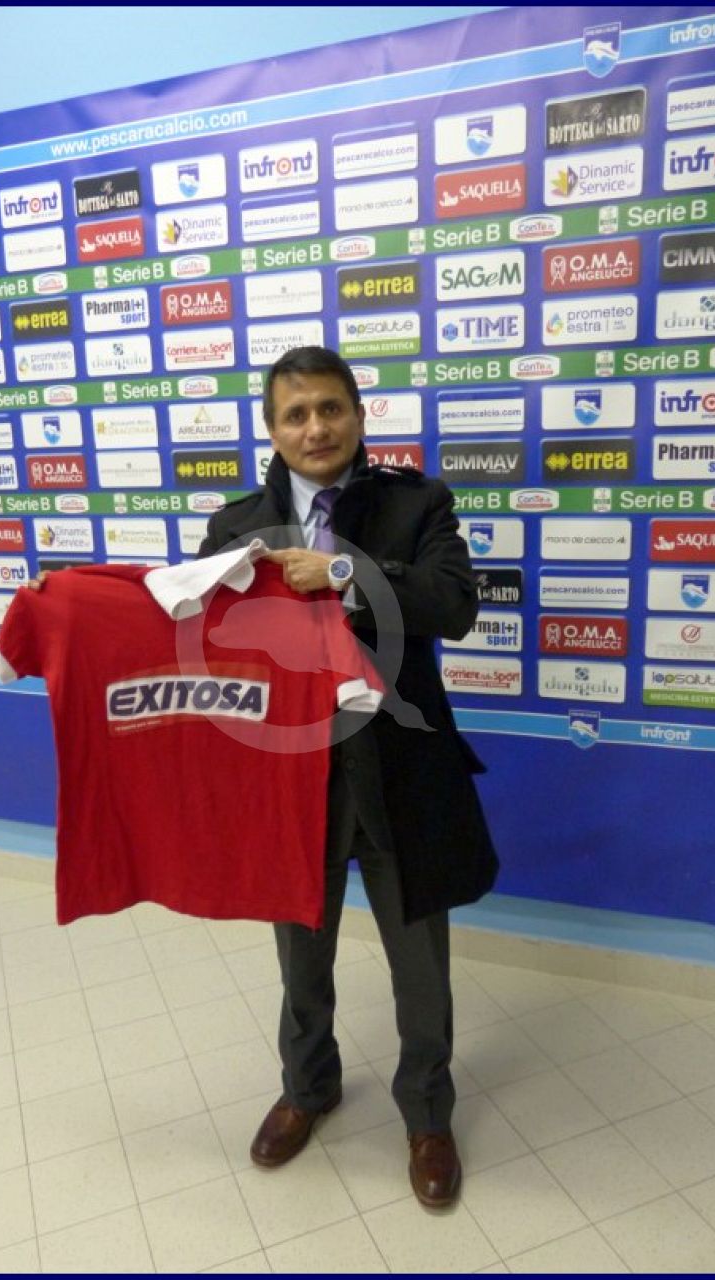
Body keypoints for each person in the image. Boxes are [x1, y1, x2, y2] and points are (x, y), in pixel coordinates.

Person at [198, 345, 500, 1209]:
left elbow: (454, 604)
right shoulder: (235, 526)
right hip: (291, 784)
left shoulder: (417, 503)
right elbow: (200, 641)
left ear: (359, 417)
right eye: (295, 414)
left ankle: (428, 1114)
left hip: (402, 774)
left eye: (330, 408)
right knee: (301, 958)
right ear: (272, 429)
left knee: (421, 968)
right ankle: (308, 1089)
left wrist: (344, 572)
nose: (315, 428)